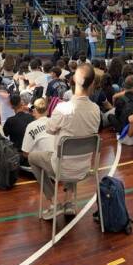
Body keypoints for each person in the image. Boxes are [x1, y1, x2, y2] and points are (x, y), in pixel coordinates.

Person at [28, 63, 101, 220]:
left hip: (62, 167)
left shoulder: (62, 109)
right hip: (84, 167)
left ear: (72, 82)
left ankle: (54, 203)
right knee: (72, 150)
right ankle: (69, 203)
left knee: (33, 157)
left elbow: (49, 129)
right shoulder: (96, 110)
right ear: (92, 83)